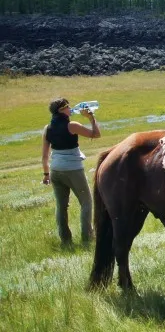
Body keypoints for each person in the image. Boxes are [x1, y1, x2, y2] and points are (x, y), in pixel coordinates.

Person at [41, 98, 101, 245]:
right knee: (86, 202)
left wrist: (46, 174)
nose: (70, 109)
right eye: (67, 107)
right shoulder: (72, 125)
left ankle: (65, 240)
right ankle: (87, 238)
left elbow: (44, 156)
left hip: (55, 169)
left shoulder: (47, 128)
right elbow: (96, 134)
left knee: (61, 206)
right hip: (73, 169)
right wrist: (91, 117)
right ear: (61, 110)